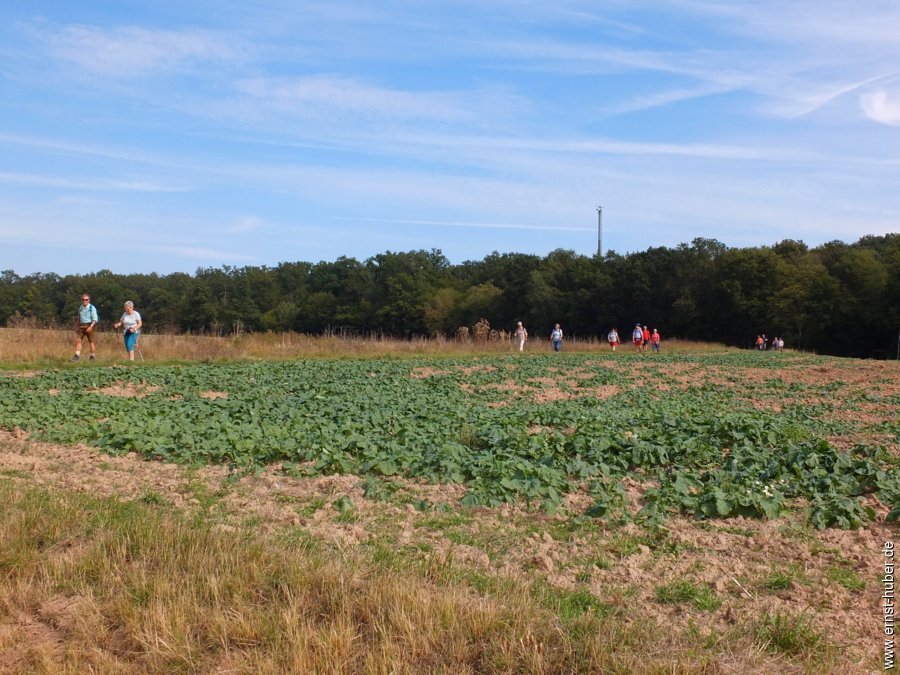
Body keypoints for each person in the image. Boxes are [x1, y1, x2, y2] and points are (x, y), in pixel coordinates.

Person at [72, 294, 98, 361]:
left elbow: (95, 319)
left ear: (89, 300)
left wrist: (91, 327)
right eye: (83, 300)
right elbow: (79, 317)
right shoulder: (81, 307)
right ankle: (77, 355)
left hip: (89, 325)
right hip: (81, 325)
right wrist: (76, 326)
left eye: (86, 300)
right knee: (78, 340)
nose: (84, 301)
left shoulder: (92, 308)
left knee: (91, 341)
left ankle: (92, 356)